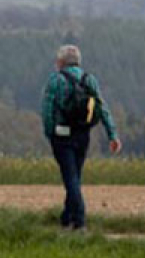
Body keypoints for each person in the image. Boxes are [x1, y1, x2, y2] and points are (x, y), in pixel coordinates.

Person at [41, 44, 122, 231]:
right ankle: (66, 218)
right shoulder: (89, 80)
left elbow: (47, 110)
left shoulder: (55, 80)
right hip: (82, 135)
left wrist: (49, 133)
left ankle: (80, 221)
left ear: (61, 62)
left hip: (62, 136)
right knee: (74, 176)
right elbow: (102, 107)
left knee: (70, 178)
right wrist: (113, 134)